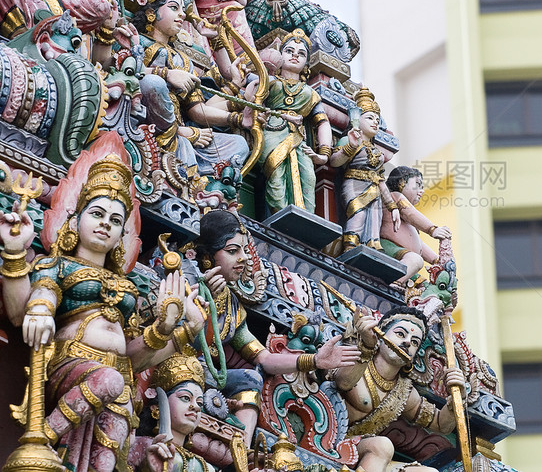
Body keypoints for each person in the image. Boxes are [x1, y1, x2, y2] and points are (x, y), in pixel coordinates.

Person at [0, 149, 205, 472]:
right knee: (107, 381)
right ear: (76, 218)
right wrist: (15, 254)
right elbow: (24, 310)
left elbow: (134, 359)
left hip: (118, 381)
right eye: (97, 214)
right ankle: (41, 439)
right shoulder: (58, 265)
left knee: (105, 458)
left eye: (115, 220)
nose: (104, 225)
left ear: (122, 234)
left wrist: (168, 327)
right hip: (72, 366)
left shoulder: (128, 289)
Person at [192, 209, 361, 445]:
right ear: (208, 257)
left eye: (243, 250)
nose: (244, 258)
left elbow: (264, 359)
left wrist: (314, 361)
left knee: (250, 379)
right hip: (181, 367)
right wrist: (202, 301)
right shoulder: (187, 282)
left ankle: (240, 452)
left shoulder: (231, 305)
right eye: (233, 251)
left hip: (210, 375)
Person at [133, 0, 250, 176]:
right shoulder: (137, 40)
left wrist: (235, 112)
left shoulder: (183, 60)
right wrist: (165, 74)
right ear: (151, 12)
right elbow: (120, 68)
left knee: (239, 145)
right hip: (146, 119)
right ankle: (176, 134)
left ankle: (179, 137)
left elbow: (197, 111)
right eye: (173, 8)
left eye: (181, 10)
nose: (180, 16)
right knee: (152, 83)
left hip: (182, 129)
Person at [332, 306, 465, 472]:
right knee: (382, 445)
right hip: (326, 437)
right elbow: (343, 383)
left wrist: (455, 400)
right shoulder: (358, 356)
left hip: (359, 449)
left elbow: (440, 424)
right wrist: (366, 347)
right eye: (400, 334)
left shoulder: (404, 392)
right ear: (380, 337)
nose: (408, 342)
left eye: (415, 342)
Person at [258, 28, 333, 213]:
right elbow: (253, 103)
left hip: (299, 141)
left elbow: (323, 122)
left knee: (308, 176)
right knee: (276, 177)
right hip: (272, 135)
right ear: (280, 54)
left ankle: (304, 217)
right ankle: (278, 216)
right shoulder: (269, 82)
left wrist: (323, 153)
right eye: (289, 51)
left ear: (307, 62)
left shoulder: (310, 94)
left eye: (301, 54)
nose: (294, 56)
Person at [329, 89, 400, 252]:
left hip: (374, 189)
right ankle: (350, 245)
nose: (375, 122)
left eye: (377, 119)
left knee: (375, 218)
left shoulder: (377, 151)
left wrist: (392, 207)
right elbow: (334, 162)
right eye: (369, 118)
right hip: (354, 185)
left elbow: (380, 180)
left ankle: (371, 247)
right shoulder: (349, 139)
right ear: (356, 119)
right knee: (358, 214)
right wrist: (351, 146)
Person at [137, 354, 214, 472]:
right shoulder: (141, 446)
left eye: (200, 403)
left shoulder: (205, 467)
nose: (196, 408)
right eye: (185, 398)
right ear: (156, 407)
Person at [380, 166, 452, 290]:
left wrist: (436, 261)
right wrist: (432, 229)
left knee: (426, 288)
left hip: (405, 259)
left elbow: (419, 244)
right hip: (389, 248)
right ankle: (393, 284)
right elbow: (410, 213)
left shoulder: (410, 223)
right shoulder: (394, 197)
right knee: (416, 260)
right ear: (401, 183)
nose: (421, 191)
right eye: (417, 184)